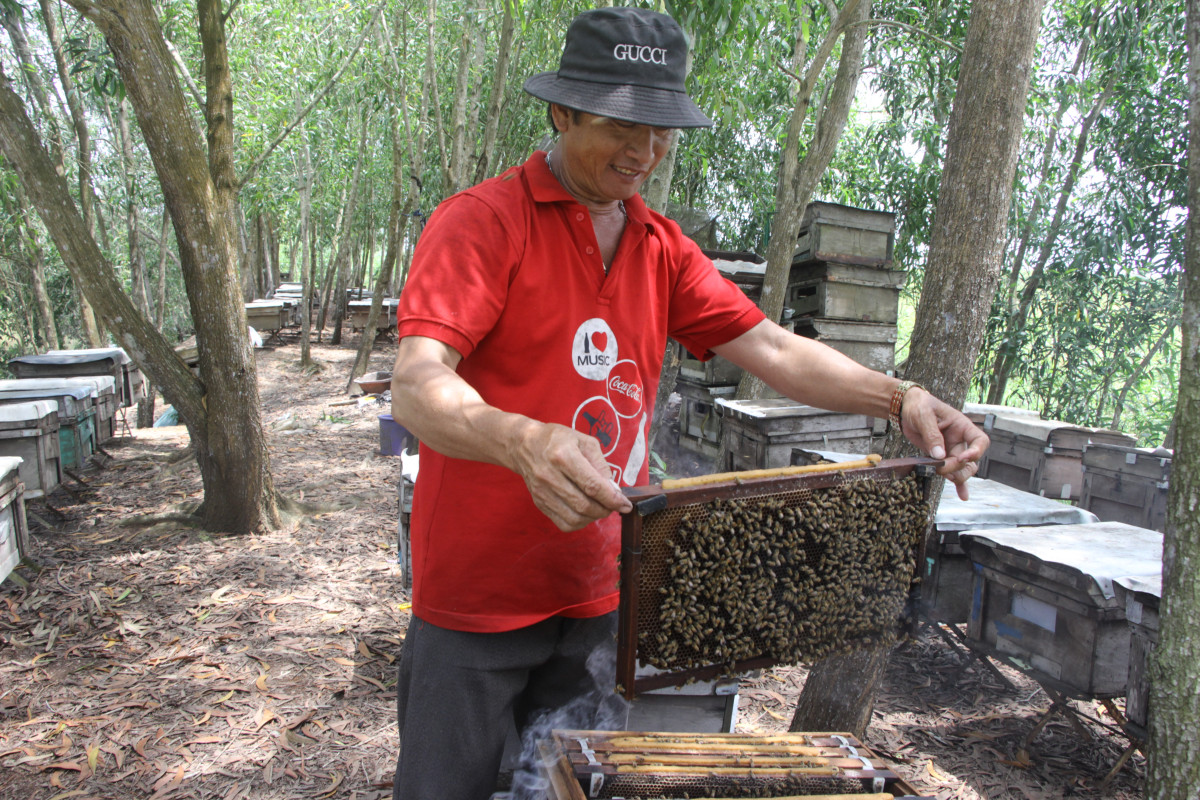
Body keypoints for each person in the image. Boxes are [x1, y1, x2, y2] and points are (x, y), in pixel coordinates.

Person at [388, 7, 988, 799]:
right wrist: (522, 441)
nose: (644, 152)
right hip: (476, 600)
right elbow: (417, 383)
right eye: (621, 125)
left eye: (662, 130)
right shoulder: (483, 224)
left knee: (566, 786)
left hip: (602, 590)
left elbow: (772, 350)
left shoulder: (659, 247)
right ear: (562, 112)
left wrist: (901, 396)